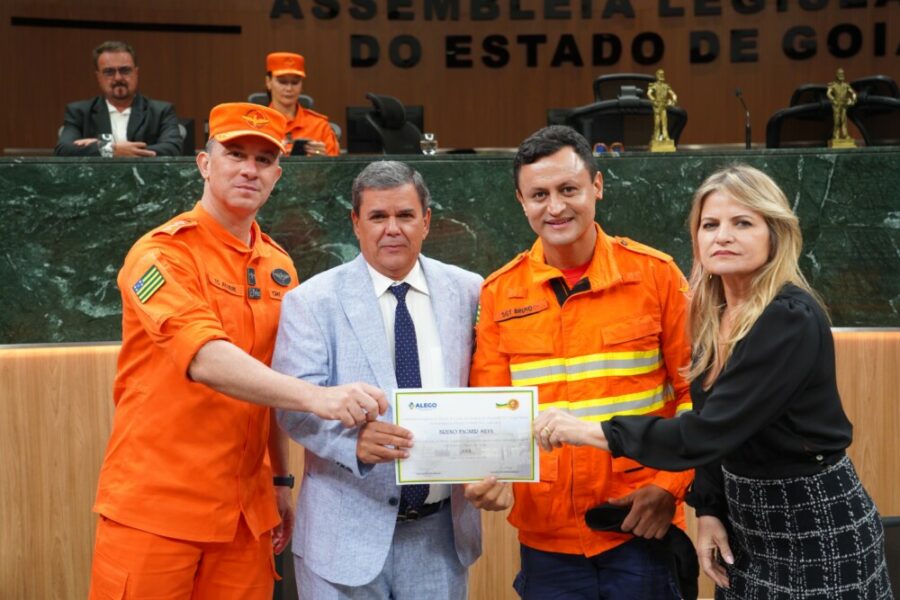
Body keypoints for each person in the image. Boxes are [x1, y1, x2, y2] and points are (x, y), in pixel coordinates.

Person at [534, 164, 893, 599]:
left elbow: (705, 433)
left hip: (813, 521)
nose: (722, 236)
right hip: (746, 526)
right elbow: (708, 419)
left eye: (742, 222)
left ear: (774, 234)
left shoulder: (787, 317)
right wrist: (709, 508)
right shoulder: (712, 313)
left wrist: (587, 430)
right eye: (710, 224)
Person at [88, 102, 387, 599]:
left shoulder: (279, 267)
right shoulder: (160, 254)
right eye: (235, 154)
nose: (250, 169)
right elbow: (205, 357)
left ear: (277, 176)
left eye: (264, 160)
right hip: (158, 510)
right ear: (205, 164)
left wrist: (280, 481)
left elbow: (272, 382)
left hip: (247, 520)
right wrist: (322, 399)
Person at [470, 125, 693, 599]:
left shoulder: (655, 275)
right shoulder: (498, 293)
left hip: (640, 523)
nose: (555, 207)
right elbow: (488, 410)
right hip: (547, 539)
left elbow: (698, 396)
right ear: (521, 201)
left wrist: (669, 489)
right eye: (539, 194)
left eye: (568, 189)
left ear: (597, 186)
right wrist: (488, 476)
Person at [273, 160, 511, 599]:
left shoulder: (470, 290)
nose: (392, 229)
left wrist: (498, 462)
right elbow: (292, 407)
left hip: (439, 540)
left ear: (427, 220)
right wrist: (351, 444)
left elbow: (490, 390)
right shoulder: (311, 302)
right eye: (378, 217)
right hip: (342, 539)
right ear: (356, 223)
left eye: (404, 215)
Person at [55, 41, 183, 157]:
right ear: (98, 76)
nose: (118, 78)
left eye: (125, 70)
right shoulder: (79, 112)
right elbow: (63, 150)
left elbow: (173, 148)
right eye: (109, 72)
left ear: (136, 73)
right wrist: (111, 150)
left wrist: (115, 149)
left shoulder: (161, 111)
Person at [265, 51, 339, 156]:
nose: (289, 88)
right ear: (268, 82)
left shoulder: (320, 126)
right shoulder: (256, 125)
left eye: (295, 82)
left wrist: (323, 161)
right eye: (282, 82)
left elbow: (336, 170)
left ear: (301, 85)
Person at [827, 67, 858, 141]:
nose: (842, 75)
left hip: (844, 104)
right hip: (836, 104)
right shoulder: (833, 85)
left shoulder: (846, 85)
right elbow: (828, 93)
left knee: (844, 120)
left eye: (842, 74)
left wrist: (853, 99)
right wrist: (833, 100)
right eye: (840, 74)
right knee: (837, 121)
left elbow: (853, 93)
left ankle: (845, 135)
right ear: (837, 75)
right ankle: (836, 135)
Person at [647, 68, 677, 142]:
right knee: (657, 123)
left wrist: (674, 99)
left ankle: (665, 137)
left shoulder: (666, 86)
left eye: (662, 74)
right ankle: (656, 137)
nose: (661, 76)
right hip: (657, 106)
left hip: (663, 106)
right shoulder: (654, 85)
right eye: (660, 74)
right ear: (657, 76)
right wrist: (653, 100)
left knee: (664, 123)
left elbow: (673, 94)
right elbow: (649, 93)